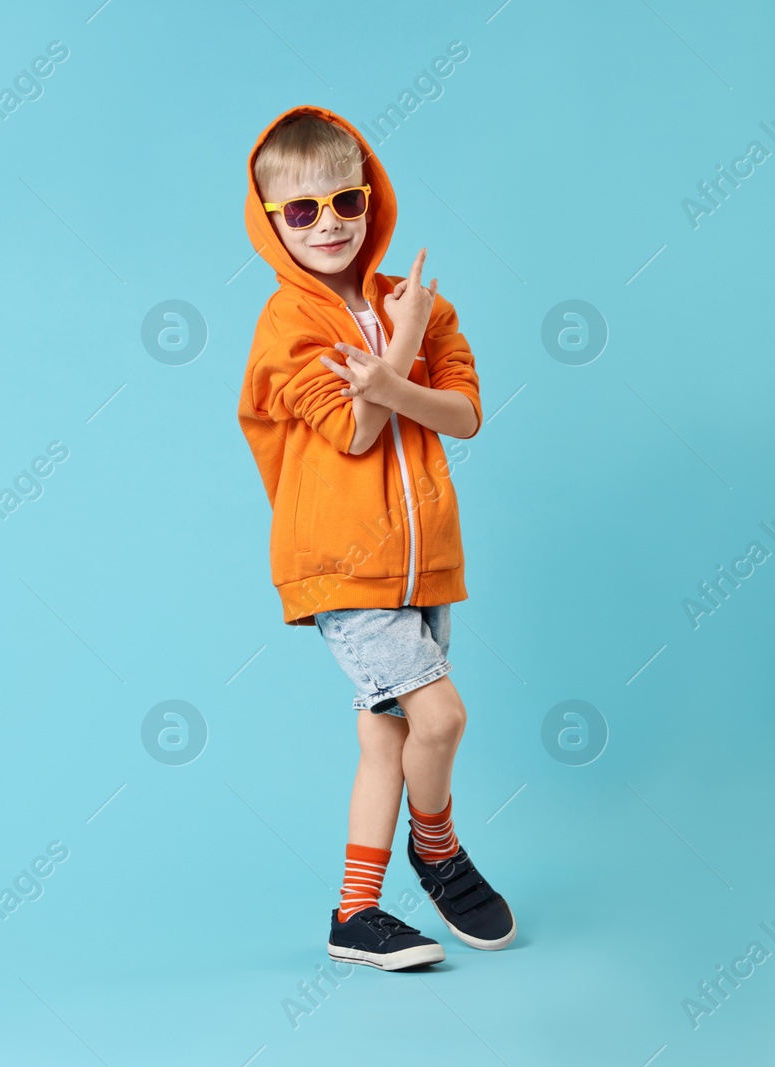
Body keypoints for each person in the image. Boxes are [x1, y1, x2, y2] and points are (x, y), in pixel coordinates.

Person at [236, 105, 515, 970]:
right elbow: (354, 432)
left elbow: (464, 413)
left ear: (371, 201)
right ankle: (438, 848)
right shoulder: (290, 323)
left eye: (345, 202)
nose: (329, 225)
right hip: (341, 566)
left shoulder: (419, 303)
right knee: (442, 714)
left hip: (422, 563)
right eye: (302, 211)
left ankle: (355, 912)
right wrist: (399, 346)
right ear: (271, 220)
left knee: (387, 734)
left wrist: (397, 354)